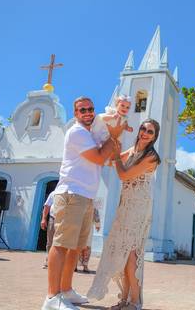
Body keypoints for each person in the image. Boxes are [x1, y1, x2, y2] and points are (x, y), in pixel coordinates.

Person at [41, 96, 120, 310]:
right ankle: (51, 297)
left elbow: (108, 156)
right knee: (61, 245)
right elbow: (98, 158)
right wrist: (113, 138)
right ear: (76, 114)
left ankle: (66, 290)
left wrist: (111, 141)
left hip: (86, 196)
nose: (87, 112)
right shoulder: (77, 132)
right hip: (71, 194)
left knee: (76, 248)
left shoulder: (90, 134)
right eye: (82, 109)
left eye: (90, 109)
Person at [88, 119, 161, 310]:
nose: (145, 133)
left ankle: (135, 302)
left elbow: (124, 175)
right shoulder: (132, 150)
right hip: (125, 205)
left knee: (131, 253)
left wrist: (117, 157)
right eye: (143, 129)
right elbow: (110, 161)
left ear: (154, 137)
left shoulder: (151, 156)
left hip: (139, 207)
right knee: (122, 252)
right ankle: (126, 299)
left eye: (150, 131)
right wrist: (112, 140)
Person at [77, 207, 101, 273]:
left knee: (86, 247)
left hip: (88, 229)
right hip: (79, 228)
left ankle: (85, 266)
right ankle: (75, 265)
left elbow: (96, 214)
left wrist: (97, 225)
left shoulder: (92, 204)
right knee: (78, 247)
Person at [41, 191, 56, 269]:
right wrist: (43, 219)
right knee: (50, 241)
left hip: (66, 221)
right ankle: (48, 261)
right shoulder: (53, 193)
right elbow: (47, 206)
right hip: (53, 219)